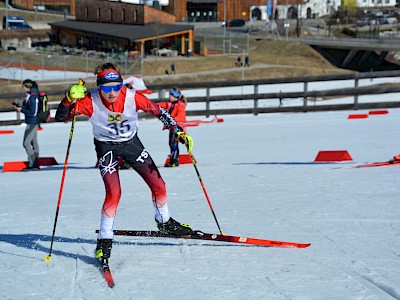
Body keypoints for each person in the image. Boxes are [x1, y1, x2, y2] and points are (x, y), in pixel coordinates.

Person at [55, 62, 194, 264]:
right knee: (114, 192)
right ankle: (104, 239)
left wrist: (178, 130)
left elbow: (160, 112)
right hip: (106, 148)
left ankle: (164, 222)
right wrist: (68, 99)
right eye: (105, 88)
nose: (111, 93)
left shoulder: (132, 97)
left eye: (116, 87)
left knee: (159, 184)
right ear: (99, 86)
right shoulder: (89, 100)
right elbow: (61, 117)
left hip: (131, 144)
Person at [13, 79, 41, 169]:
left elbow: (33, 112)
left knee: (26, 143)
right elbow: (30, 106)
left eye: (23, 86)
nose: (22, 88)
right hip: (32, 121)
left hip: (32, 122)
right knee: (33, 142)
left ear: (26, 87)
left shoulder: (33, 96)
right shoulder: (31, 95)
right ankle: (35, 160)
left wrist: (21, 110)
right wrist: (21, 103)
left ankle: (33, 163)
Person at [157, 87, 188, 167]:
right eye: (169, 95)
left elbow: (181, 117)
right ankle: (172, 158)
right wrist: (152, 105)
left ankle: (175, 160)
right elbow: (162, 105)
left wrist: (172, 120)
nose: (169, 97)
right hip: (172, 127)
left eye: (171, 95)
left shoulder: (180, 106)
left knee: (174, 143)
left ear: (176, 97)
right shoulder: (169, 104)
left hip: (178, 128)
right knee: (171, 143)